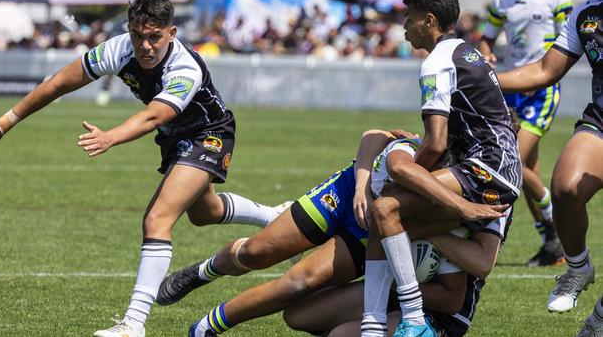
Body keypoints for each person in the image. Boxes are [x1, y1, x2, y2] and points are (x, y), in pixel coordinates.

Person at [0, 0, 286, 337]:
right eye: (138, 35)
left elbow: (152, 117)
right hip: (175, 137)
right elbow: (57, 84)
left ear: (171, 33)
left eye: (154, 37)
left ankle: (134, 323)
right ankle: (275, 216)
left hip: (209, 134)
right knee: (204, 212)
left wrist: (110, 137)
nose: (145, 46)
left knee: (157, 218)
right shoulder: (119, 49)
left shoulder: (184, 67)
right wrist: (3, 122)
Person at [156, 124, 505, 336]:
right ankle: (204, 271)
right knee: (256, 252)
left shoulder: (467, 204)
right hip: (346, 191)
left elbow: (466, 268)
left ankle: (206, 327)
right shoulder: (428, 147)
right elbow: (374, 137)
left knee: (299, 282)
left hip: (369, 233)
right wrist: (361, 187)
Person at [359, 0, 522, 337]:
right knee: (386, 220)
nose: (404, 26)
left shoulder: (436, 62)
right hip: (503, 166)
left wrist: (404, 173)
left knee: (385, 208)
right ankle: (374, 327)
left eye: (409, 18)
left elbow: (435, 143)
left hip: (487, 167)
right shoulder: (466, 52)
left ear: (429, 21)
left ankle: (414, 321)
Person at [496, 0, 603, 334]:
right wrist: (485, 78)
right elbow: (546, 70)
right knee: (565, 187)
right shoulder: (587, 14)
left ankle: (598, 322)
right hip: (601, 123)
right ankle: (577, 268)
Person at [479, 0, 572, 267]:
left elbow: (569, 40)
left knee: (513, 162)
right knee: (526, 169)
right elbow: (487, 38)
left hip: (541, 92)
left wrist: (545, 74)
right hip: (511, 89)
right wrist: (487, 54)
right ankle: (552, 244)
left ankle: (553, 223)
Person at [284, 218, 509, 337]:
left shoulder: (457, 216)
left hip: (439, 315)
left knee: (340, 335)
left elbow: (450, 300)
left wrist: (422, 231)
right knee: (297, 315)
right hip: (395, 292)